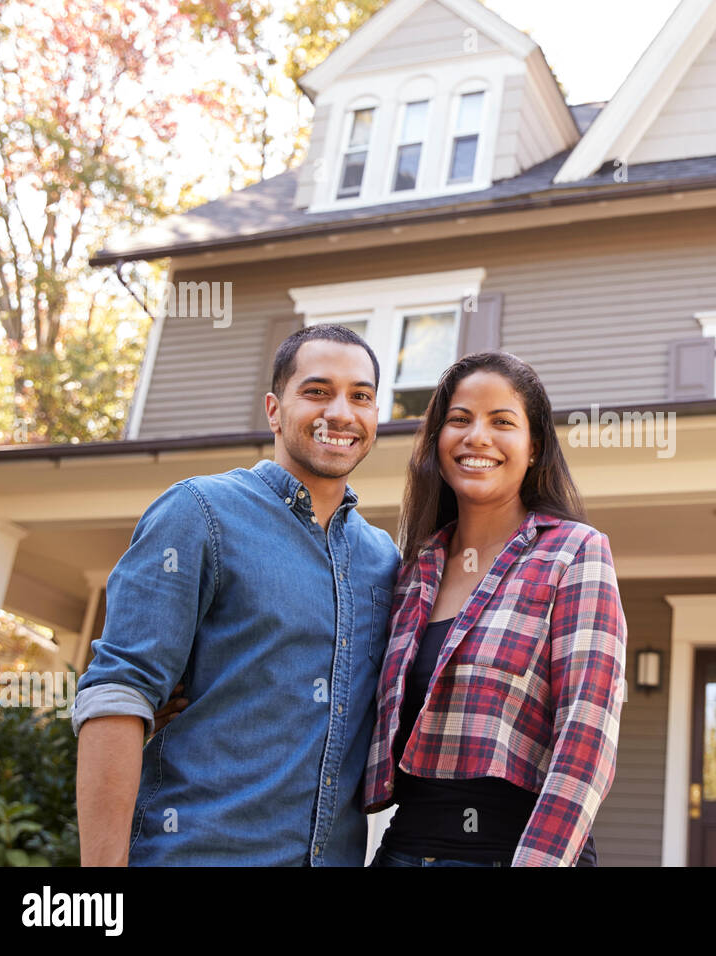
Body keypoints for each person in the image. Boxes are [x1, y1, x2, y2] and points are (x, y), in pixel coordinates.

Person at [73, 324, 399, 866]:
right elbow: (118, 695)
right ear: (274, 410)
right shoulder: (200, 513)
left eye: (360, 396)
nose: (341, 412)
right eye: (317, 391)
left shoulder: (384, 560)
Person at [364, 351, 626, 867]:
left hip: (514, 851)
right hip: (403, 849)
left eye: (502, 422)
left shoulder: (575, 553)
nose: (477, 437)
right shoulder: (413, 571)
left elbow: (586, 739)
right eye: (459, 420)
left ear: (533, 450)